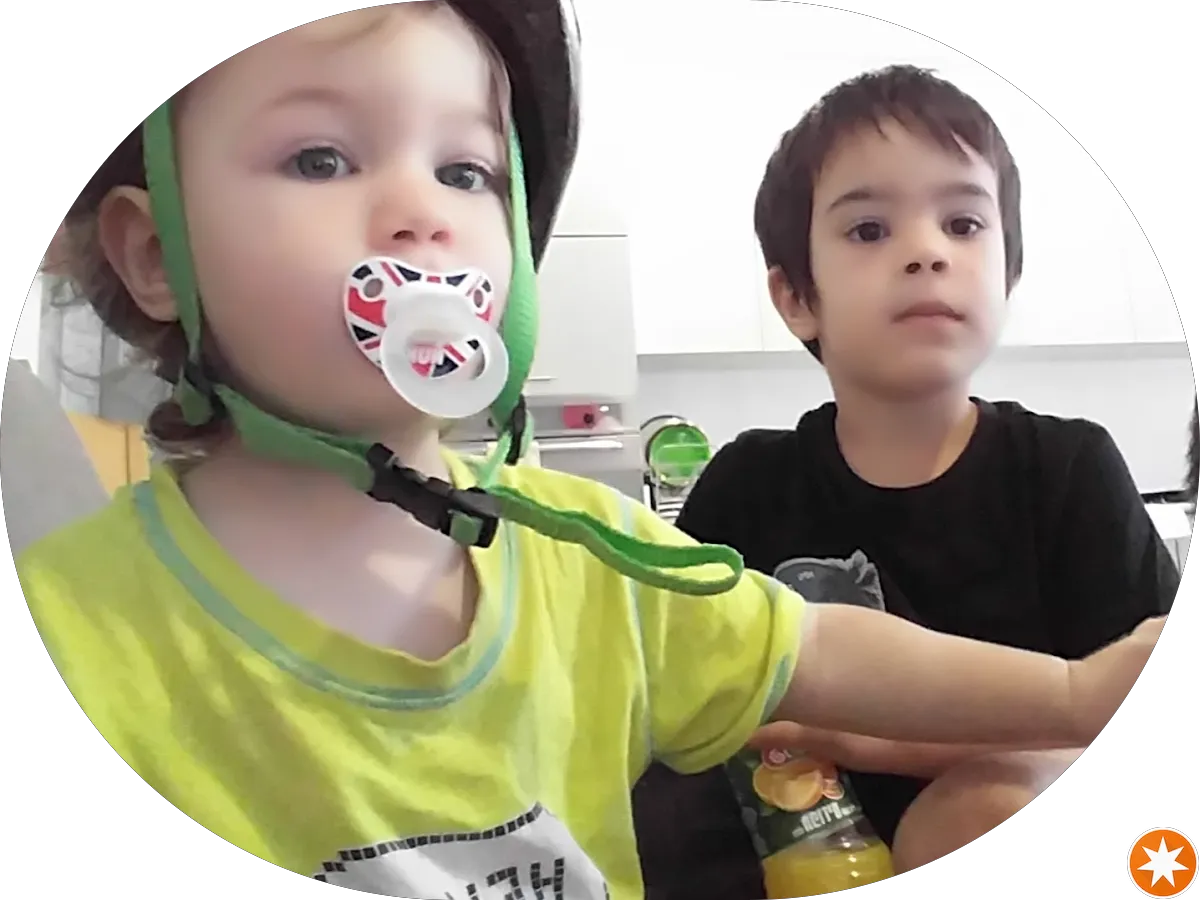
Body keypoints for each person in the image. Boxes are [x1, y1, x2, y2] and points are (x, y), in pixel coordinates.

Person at [12, 13, 1164, 899]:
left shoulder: (595, 554)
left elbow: (806, 645)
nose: (422, 212)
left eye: (467, 172)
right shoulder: (78, 634)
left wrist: (1070, 694)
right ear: (154, 255)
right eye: (320, 158)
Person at [633, 64, 1180, 898]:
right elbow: (673, 717)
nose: (928, 252)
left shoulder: (1068, 469)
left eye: (963, 223)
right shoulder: (747, 486)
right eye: (869, 230)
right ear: (796, 296)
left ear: (1008, 273)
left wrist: (874, 743)